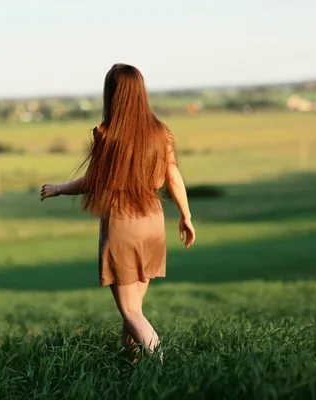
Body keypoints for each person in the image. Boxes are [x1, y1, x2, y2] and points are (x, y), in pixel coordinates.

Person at [40, 63, 195, 362]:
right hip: (153, 220)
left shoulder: (106, 134)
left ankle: (160, 364)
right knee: (134, 307)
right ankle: (133, 366)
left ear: (112, 94)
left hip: (123, 222)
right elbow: (173, 175)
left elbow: (93, 182)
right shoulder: (161, 133)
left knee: (131, 311)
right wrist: (186, 216)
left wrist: (59, 188)